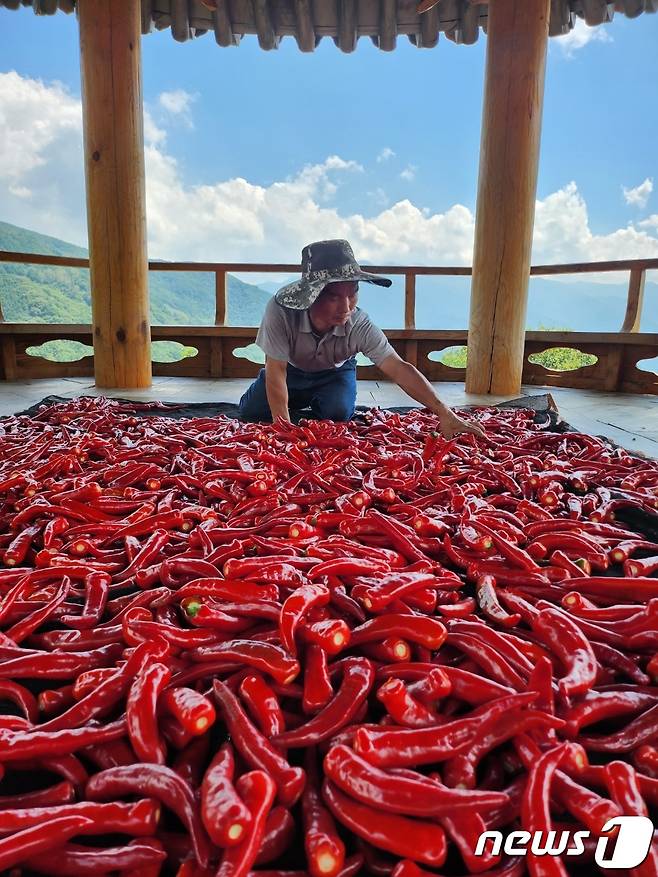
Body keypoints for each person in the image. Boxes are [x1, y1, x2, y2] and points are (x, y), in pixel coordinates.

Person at [238, 239, 485, 440]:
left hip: (335, 373)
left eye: (353, 293)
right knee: (252, 412)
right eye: (334, 297)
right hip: (290, 370)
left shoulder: (359, 323)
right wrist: (285, 432)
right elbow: (277, 370)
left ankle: (311, 405)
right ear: (311, 295)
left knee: (338, 414)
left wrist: (444, 413)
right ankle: (290, 405)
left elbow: (398, 368)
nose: (346, 307)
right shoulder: (281, 311)